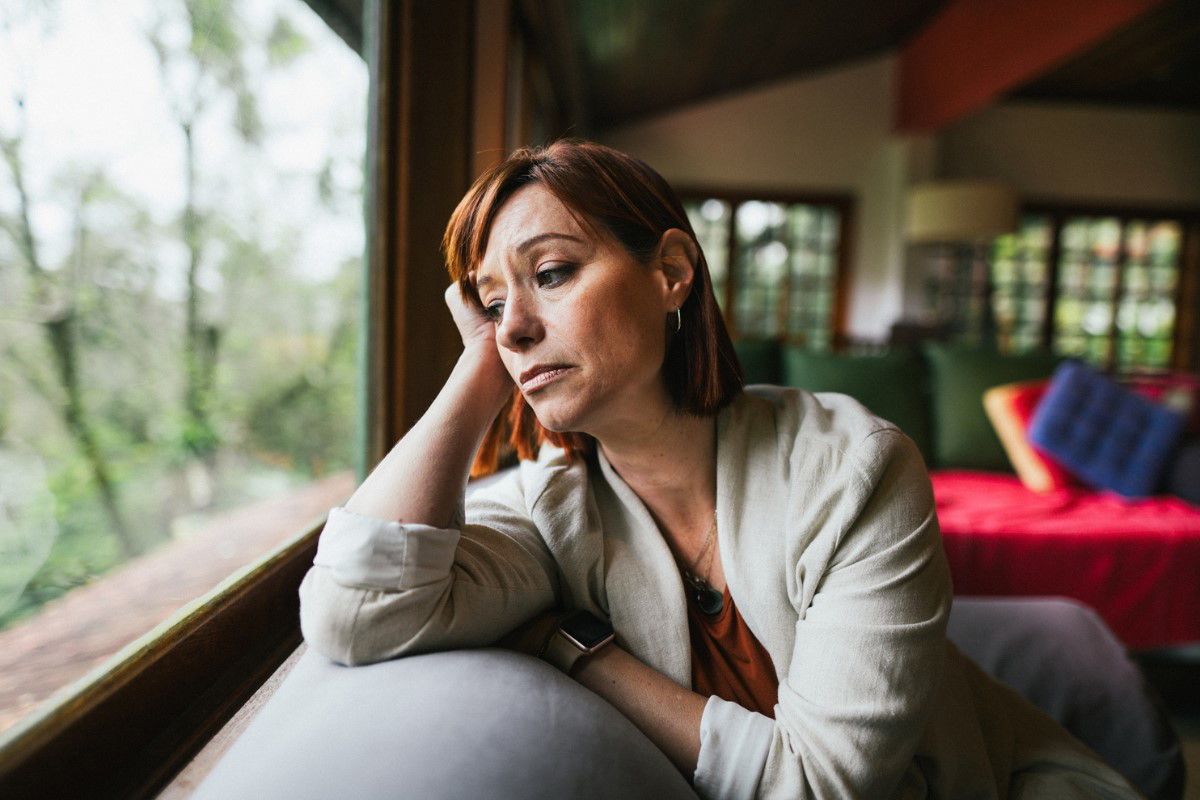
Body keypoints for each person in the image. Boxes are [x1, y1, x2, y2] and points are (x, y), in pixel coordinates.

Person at [299, 140, 1139, 799]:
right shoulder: (544, 510)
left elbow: (825, 787)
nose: (512, 328)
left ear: (670, 271)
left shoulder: (854, 470)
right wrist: (475, 374)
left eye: (550, 274)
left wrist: (580, 650)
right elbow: (357, 610)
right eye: (489, 305)